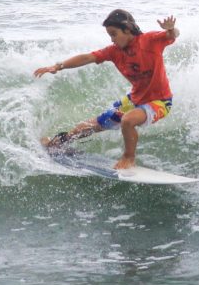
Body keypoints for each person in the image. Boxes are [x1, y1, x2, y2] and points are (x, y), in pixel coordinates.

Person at [33, 9, 179, 169]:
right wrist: (58, 66)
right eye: (110, 35)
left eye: (114, 34)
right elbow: (87, 57)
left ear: (127, 29)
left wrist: (170, 29)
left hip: (160, 101)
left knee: (128, 120)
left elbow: (172, 35)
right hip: (135, 99)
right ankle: (58, 143)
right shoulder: (114, 51)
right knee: (92, 125)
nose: (112, 39)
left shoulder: (149, 41)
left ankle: (129, 158)